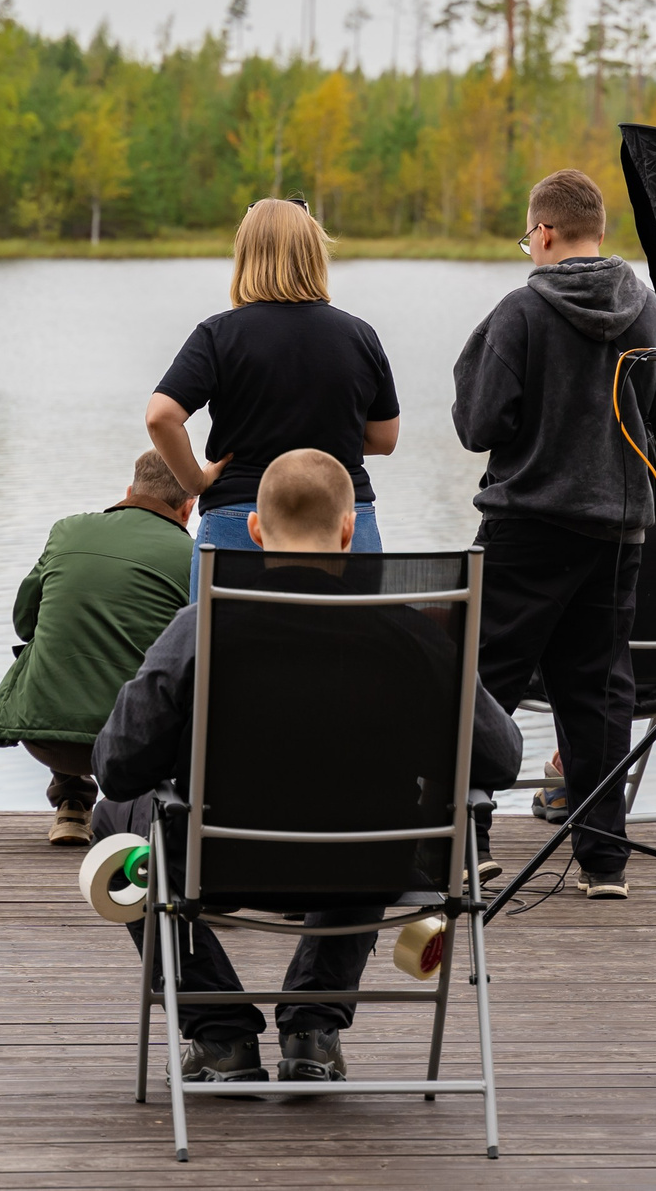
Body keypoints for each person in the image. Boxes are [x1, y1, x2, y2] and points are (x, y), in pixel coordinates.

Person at [90, 450, 522, 1087]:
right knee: (370, 819)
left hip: (221, 863)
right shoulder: (416, 635)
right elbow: (501, 759)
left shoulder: (200, 627)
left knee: (112, 822)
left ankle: (220, 1035)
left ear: (256, 532)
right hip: (373, 865)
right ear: (349, 531)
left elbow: (118, 765)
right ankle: (312, 1028)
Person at [452, 168, 656, 901]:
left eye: (529, 237)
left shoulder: (521, 310)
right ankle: (604, 860)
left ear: (545, 232)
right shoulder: (646, 307)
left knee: (480, 677)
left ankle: (470, 844)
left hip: (527, 523)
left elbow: (478, 424)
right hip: (618, 527)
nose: (530, 248)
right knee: (599, 687)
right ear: (600, 231)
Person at [145, 198, 399, 591]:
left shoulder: (218, 335)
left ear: (246, 255)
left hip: (240, 520)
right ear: (314, 253)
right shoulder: (359, 335)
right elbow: (384, 439)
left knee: (226, 650)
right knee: (352, 648)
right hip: (345, 521)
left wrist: (195, 482)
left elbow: (161, 416)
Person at [0, 452, 196, 848]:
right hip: (131, 746)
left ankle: (71, 803)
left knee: (56, 639)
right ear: (188, 509)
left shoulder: (67, 530)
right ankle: (153, 813)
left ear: (130, 491)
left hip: (44, 736)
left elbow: (24, 622)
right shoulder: (192, 555)